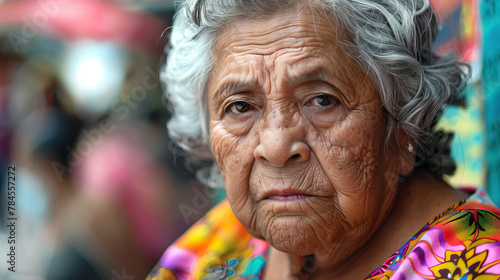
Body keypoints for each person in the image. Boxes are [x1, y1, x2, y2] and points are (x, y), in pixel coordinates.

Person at [147, 0, 500, 279]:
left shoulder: (481, 264)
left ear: (403, 123)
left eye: (322, 100)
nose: (276, 147)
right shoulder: (216, 245)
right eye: (240, 106)